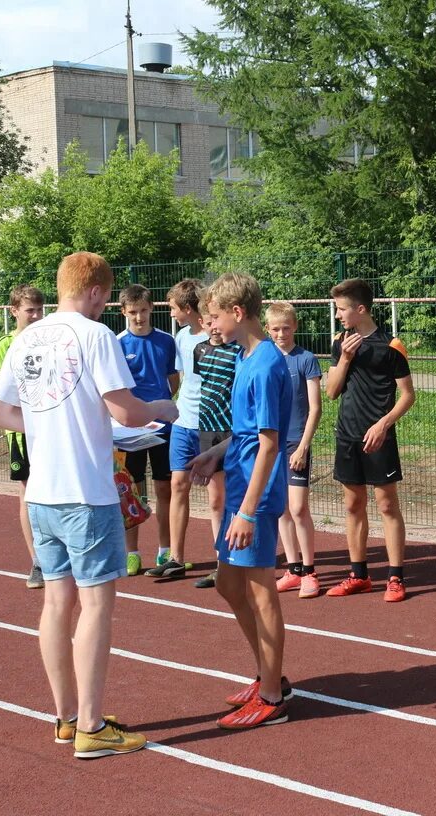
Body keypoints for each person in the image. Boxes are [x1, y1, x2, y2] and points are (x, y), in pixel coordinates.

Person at [0, 251, 177, 757]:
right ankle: (92, 727)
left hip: (43, 494)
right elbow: (127, 412)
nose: (108, 306)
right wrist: (164, 407)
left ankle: (67, 717)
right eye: (107, 297)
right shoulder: (95, 336)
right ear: (95, 291)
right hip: (86, 496)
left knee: (56, 603)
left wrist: (53, 425)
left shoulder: (27, 337)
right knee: (95, 605)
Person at [188, 272, 294, 729]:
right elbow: (247, 433)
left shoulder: (267, 364)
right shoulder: (246, 357)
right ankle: (268, 674)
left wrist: (249, 510)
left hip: (257, 491)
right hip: (238, 482)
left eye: (213, 317)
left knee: (259, 589)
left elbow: (270, 443)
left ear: (237, 313)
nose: (210, 326)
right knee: (230, 585)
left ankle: (273, 696)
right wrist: (216, 452)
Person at [324, 278, 416, 602]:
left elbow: (407, 395)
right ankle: (358, 575)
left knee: (387, 504)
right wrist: (346, 359)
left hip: (379, 437)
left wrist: (383, 425)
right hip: (347, 434)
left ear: (360, 309)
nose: (338, 315)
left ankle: (395, 577)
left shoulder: (391, 346)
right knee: (353, 504)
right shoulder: (340, 342)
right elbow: (331, 392)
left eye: (341, 309)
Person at [147, 279, 209, 579]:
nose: (170, 312)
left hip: (212, 426)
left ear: (187, 307)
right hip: (182, 424)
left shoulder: (217, 335)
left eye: (172, 307)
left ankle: (225, 561)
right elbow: (182, 379)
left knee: (217, 496)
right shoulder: (182, 337)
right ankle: (175, 558)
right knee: (177, 486)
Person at [0, 284, 45, 589]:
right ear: (14, 311)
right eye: (29, 310)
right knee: (29, 495)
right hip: (23, 434)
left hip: (51, 432)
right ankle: (37, 561)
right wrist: (25, 417)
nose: (35, 316)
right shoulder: (6, 345)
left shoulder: (50, 342)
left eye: (39, 310)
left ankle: (58, 556)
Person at [116, 284, 178, 577]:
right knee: (133, 493)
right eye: (132, 312)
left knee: (164, 488)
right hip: (131, 430)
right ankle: (132, 553)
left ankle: (166, 549)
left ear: (152, 308)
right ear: (123, 313)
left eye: (143, 310)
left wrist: (162, 407)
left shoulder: (167, 341)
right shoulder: (117, 343)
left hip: (164, 429)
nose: (139, 317)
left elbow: (173, 381)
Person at [266, 301, 324, 599]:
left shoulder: (306, 359)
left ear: (295, 327)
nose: (281, 334)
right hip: (271, 444)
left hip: (295, 443)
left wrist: (303, 446)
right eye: (275, 329)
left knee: (299, 508)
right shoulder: (266, 359)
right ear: (267, 329)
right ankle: (293, 568)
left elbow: (315, 408)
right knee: (281, 508)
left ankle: (310, 571)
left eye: (286, 328)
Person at [188, 305, 242, 589]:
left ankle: (241, 561)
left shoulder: (238, 351)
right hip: (207, 429)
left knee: (239, 495)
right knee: (214, 499)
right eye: (208, 323)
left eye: (216, 321)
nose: (213, 327)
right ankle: (221, 561)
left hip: (233, 430)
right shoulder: (198, 350)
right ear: (202, 323)